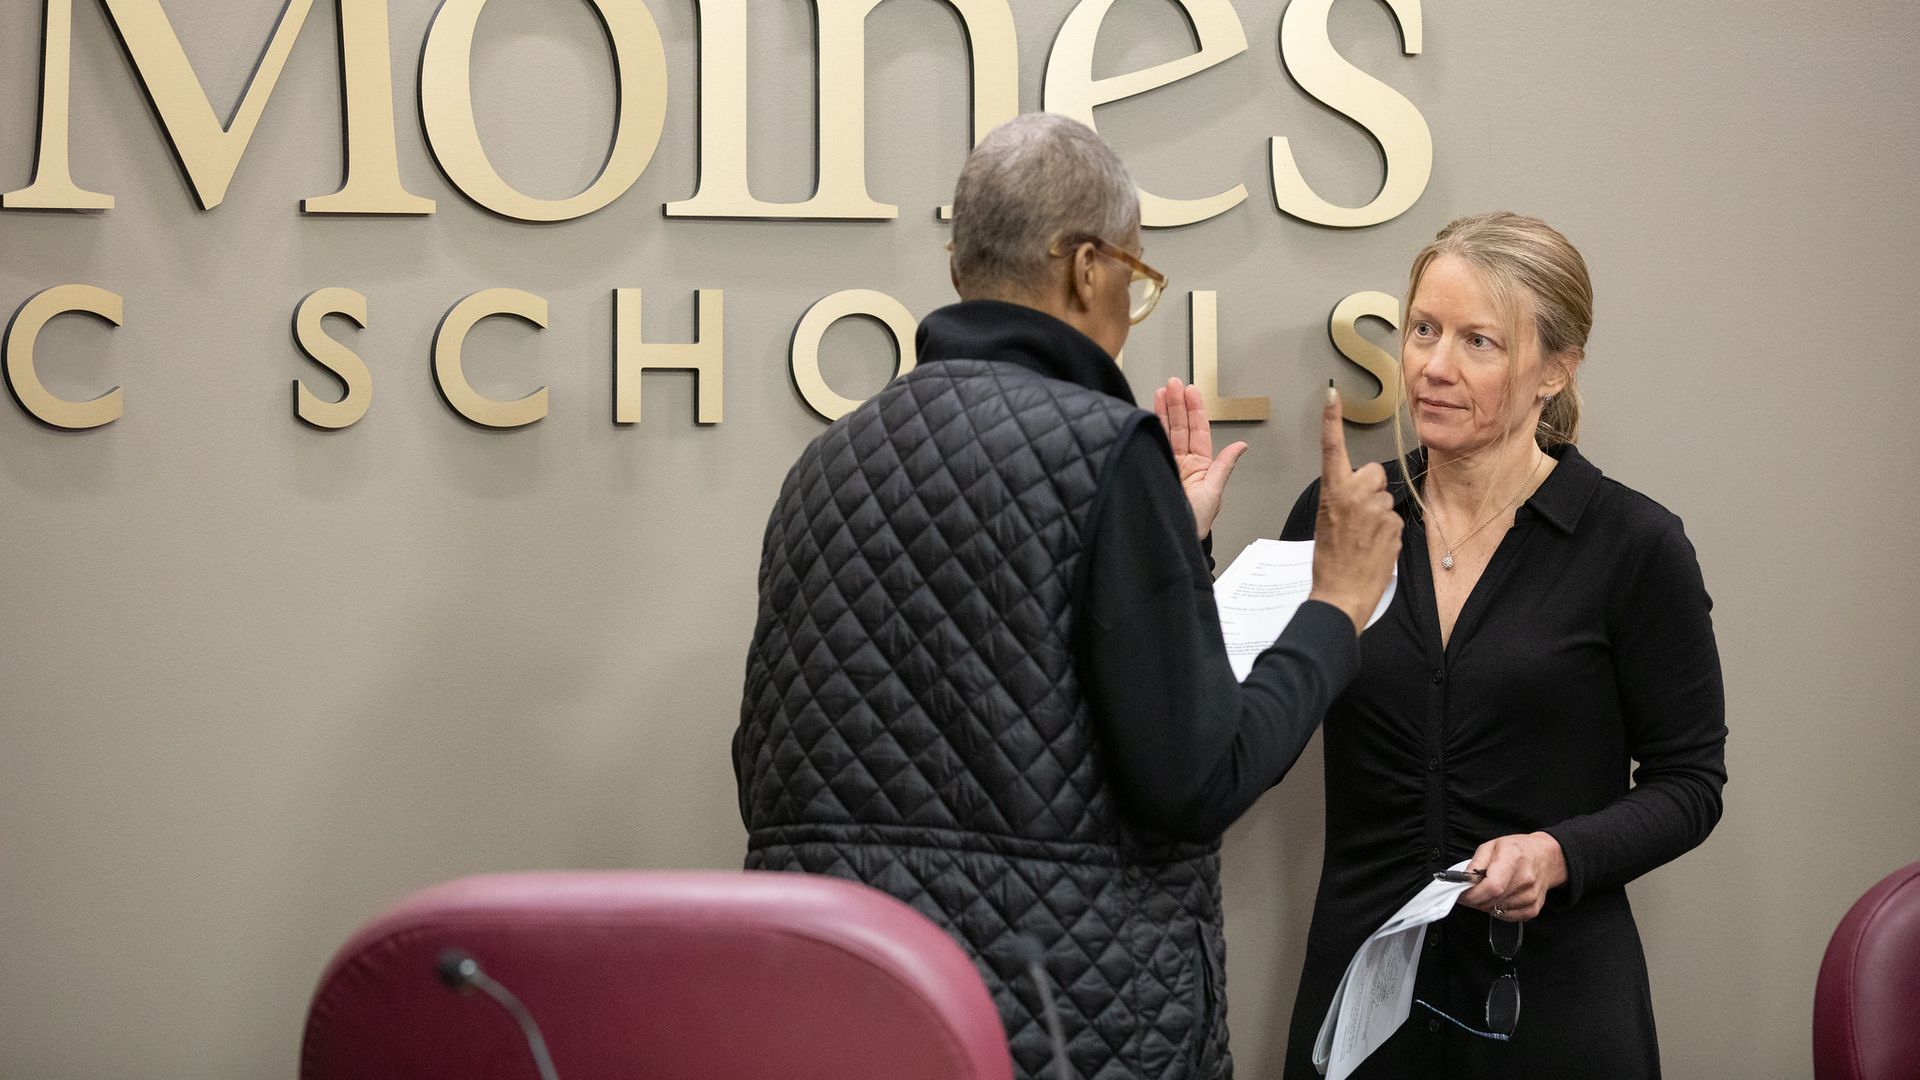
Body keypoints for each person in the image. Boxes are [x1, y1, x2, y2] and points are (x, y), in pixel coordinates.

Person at [733, 113, 1400, 1080]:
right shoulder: (1105, 451)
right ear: (1088, 267)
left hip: (848, 1014)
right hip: (1067, 1024)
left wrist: (1170, 539)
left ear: (963, 270)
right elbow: (1194, 780)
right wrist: (1335, 606)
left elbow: (771, 771)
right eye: (1134, 273)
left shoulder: (826, 464)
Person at [1277, 212, 1728, 1079]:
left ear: (1555, 370)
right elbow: (1237, 723)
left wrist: (1559, 855)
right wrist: (1186, 548)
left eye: (1478, 341)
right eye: (1422, 330)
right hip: (1362, 1009)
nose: (1433, 367)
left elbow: (1691, 783)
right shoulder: (1343, 515)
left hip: (1554, 1010)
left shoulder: (1632, 545)